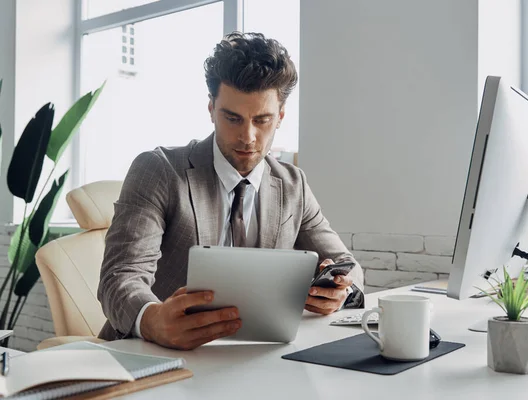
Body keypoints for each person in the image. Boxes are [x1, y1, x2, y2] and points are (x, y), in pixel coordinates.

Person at [97, 32, 364, 350]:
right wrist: (152, 320)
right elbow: (120, 276)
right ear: (211, 108)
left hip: (254, 358)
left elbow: (348, 267)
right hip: (151, 353)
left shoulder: (293, 185)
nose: (248, 137)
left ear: (280, 116)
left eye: (262, 119)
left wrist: (339, 291)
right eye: (232, 118)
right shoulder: (158, 170)